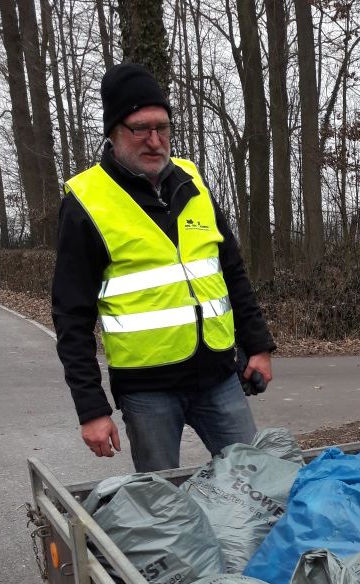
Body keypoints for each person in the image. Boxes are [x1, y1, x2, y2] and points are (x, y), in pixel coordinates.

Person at [52, 62, 275, 472]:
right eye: (141, 129)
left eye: (163, 128)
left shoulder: (192, 181)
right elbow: (71, 316)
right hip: (147, 391)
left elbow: (232, 272)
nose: (155, 141)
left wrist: (258, 346)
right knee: (160, 499)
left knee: (255, 482)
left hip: (219, 377)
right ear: (113, 132)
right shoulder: (86, 202)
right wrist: (92, 409)